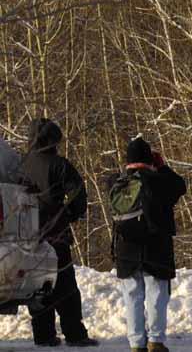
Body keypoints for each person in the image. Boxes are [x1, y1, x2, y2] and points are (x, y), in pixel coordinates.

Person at [19, 118, 98, 347]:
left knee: (38, 284)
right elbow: (77, 194)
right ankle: (75, 334)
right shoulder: (60, 165)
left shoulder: (21, 164)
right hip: (55, 233)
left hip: (28, 236)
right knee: (65, 284)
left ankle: (43, 335)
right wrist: (71, 214)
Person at [114, 137, 187, 352]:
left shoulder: (118, 183)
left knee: (132, 296)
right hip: (156, 246)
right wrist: (162, 166)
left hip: (126, 248)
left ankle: (136, 343)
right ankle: (156, 341)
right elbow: (180, 186)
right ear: (149, 159)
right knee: (156, 294)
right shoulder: (158, 180)